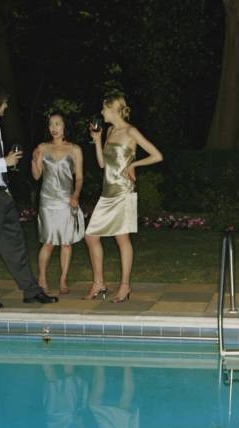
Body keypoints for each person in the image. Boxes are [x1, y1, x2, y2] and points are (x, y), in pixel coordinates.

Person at [0, 82, 58, 309]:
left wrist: (6, 188)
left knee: (15, 245)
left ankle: (31, 291)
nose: (6, 107)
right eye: (5, 103)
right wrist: (4, 162)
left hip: (1, 195)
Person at [85, 95, 163, 302]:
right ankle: (99, 283)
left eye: (104, 109)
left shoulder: (131, 131)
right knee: (91, 235)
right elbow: (102, 165)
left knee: (122, 239)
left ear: (114, 109)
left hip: (123, 191)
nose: (102, 113)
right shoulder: (110, 131)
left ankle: (125, 286)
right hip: (107, 191)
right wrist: (97, 141)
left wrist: (134, 165)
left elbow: (157, 155)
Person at [31, 112, 85, 294]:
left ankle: (63, 280)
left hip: (66, 200)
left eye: (57, 124)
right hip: (47, 200)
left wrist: (76, 195)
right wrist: (34, 159)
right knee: (48, 241)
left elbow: (79, 177)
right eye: (51, 124)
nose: (54, 128)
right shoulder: (43, 148)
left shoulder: (74, 149)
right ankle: (42, 277)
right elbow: (36, 175)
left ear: (64, 126)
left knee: (66, 243)